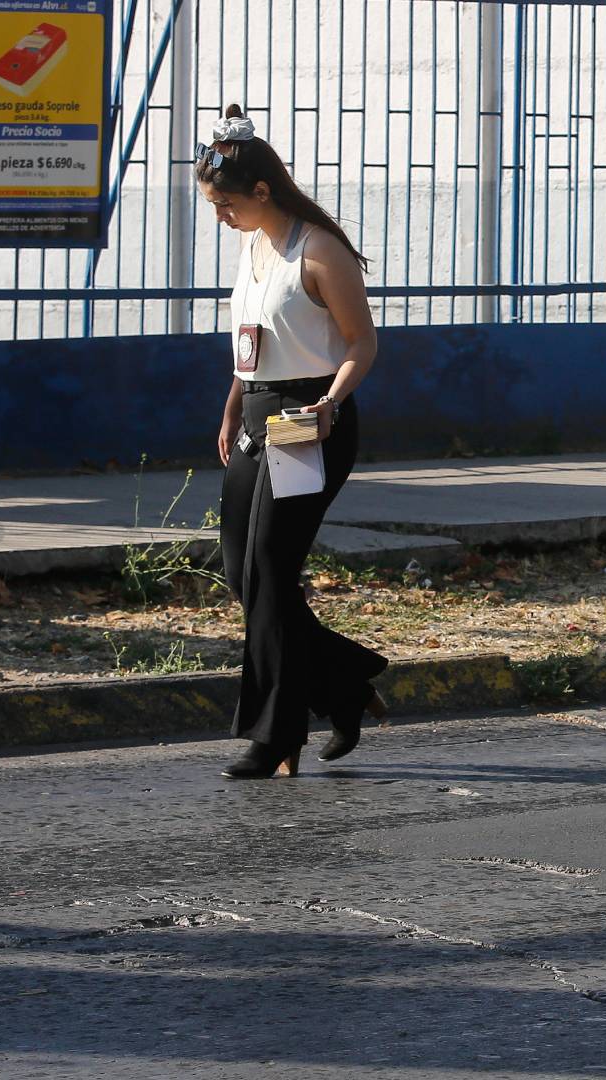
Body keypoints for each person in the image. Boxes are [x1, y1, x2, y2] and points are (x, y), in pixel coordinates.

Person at [197, 104, 389, 778]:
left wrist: (331, 402)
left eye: (225, 204)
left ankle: (275, 733)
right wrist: (231, 409)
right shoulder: (252, 244)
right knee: (239, 572)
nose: (220, 217)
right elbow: (250, 345)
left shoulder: (318, 249)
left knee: (271, 572)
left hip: (309, 415)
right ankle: (344, 684)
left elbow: (361, 341)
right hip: (256, 409)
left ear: (261, 191)